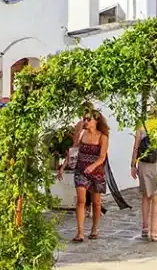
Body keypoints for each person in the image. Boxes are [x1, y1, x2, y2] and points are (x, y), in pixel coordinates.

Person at [59, 101, 108, 242]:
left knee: (96, 202)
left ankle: (94, 228)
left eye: (88, 119)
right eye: (84, 118)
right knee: (81, 200)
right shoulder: (81, 133)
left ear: (96, 121)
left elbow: (102, 157)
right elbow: (73, 150)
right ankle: (80, 232)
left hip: (96, 171)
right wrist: (63, 166)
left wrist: (92, 167)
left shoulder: (102, 137)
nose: (85, 121)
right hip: (81, 169)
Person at [131, 111, 157, 242]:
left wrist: (133, 165)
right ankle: (155, 232)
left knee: (146, 196)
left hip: (144, 164)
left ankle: (145, 229)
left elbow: (136, 147)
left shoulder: (142, 125)